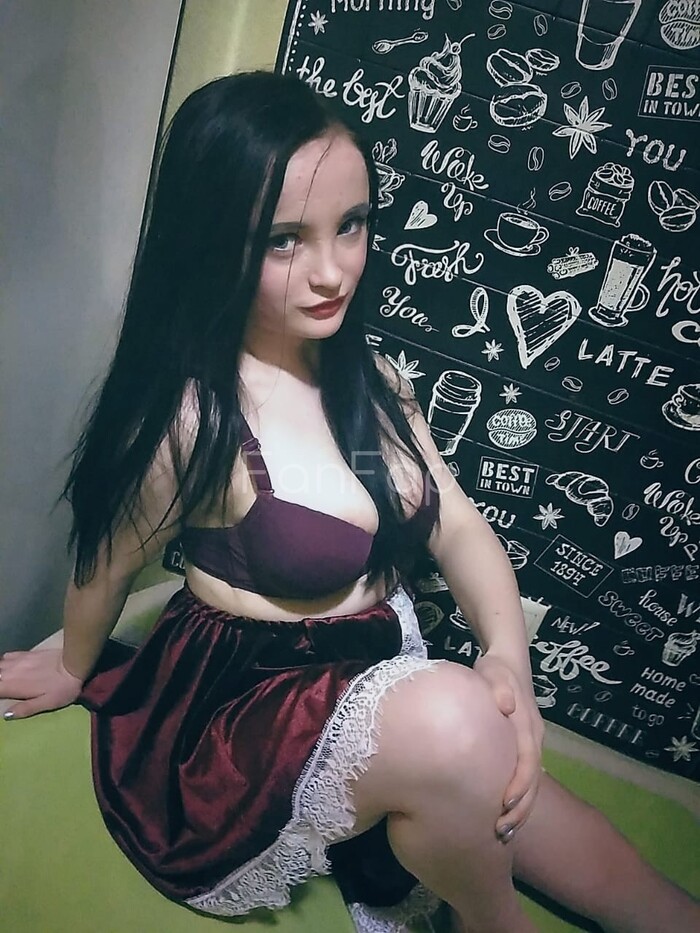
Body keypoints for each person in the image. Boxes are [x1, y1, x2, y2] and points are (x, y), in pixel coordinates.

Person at [0, 72, 697, 933]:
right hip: (251, 715)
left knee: (597, 855)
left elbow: (454, 523)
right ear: (214, 242)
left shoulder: (369, 382)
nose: (332, 271)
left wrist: (509, 659)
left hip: (382, 679)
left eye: (353, 225)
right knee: (460, 725)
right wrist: (74, 664)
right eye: (283, 240)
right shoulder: (196, 420)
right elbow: (109, 558)